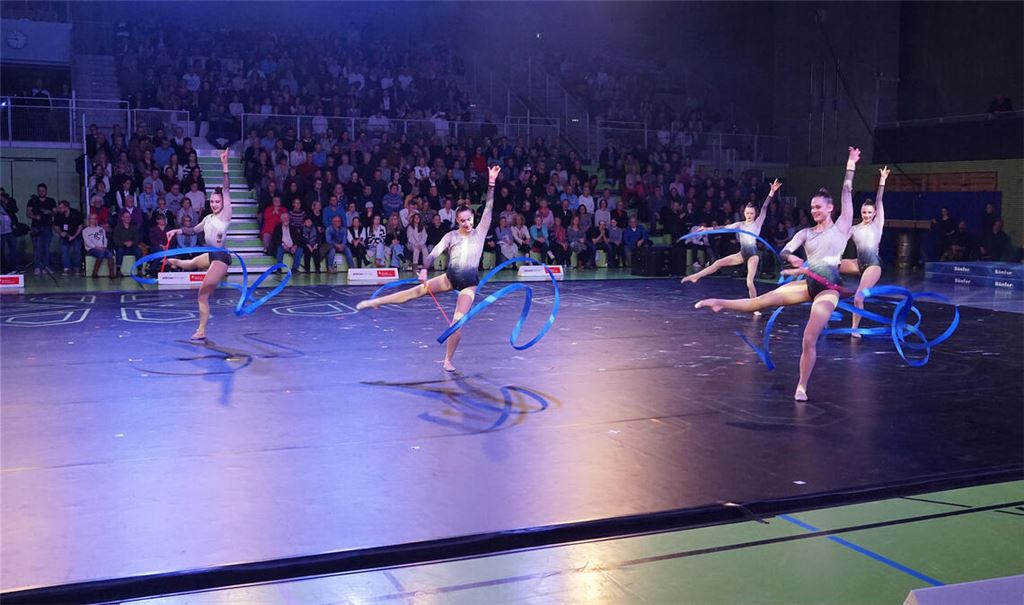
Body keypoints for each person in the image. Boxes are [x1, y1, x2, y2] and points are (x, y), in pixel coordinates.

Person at [695, 147, 861, 402]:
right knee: (760, 302)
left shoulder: (842, 227)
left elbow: (847, 192)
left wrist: (850, 165)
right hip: (807, 284)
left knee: (808, 338)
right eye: (812, 207)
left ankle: (802, 385)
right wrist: (791, 257)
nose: (814, 210)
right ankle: (720, 303)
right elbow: (784, 249)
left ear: (831, 208)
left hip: (828, 290)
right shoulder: (806, 233)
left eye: (818, 207)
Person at [355, 165, 501, 372]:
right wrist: (424, 269)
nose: (467, 223)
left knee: (457, 324)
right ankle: (375, 301)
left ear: (473, 219)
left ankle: (447, 360)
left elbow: (489, 206)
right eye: (462, 221)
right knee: (413, 292)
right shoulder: (452, 236)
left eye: (469, 219)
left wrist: (492, 182)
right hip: (450, 278)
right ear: (457, 221)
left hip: (468, 284)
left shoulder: (480, 232)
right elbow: (433, 252)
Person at [163, 150, 234, 340]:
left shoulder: (225, 215)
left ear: (223, 203)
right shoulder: (208, 217)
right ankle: (173, 261)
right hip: (211, 254)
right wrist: (176, 230)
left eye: (218, 201)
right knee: (191, 263)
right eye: (212, 201)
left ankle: (201, 330)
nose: (214, 204)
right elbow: (193, 230)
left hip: (221, 257)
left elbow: (226, 188)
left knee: (202, 294)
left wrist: (225, 166)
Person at [681, 179, 782, 311]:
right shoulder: (739, 225)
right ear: (744, 213)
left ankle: (754, 307)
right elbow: (724, 227)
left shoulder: (757, 223)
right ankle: (696, 276)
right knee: (718, 263)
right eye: (747, 213)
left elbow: (764, 208)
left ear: (755, 214)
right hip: (741, 254)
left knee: (749, 281)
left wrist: (771, 192)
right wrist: (706, 229)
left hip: (752, 256)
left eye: (751, 213)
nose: (749, 215)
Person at [840, 166, 889, 336]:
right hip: (858, 262)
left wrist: (882, 181)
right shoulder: (854, 228)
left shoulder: (877, 224)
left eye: (869, 212)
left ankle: (855, 329)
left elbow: (880, 200)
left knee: (858, 297)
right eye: (864, 212)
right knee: (830, 265)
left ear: (875, 213)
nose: (866, 215)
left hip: (873, 265)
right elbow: (839, 243)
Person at [82, 214, 115, 278]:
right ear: (89, 220)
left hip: (102, 248)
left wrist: (104, 246)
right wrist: (96, 247)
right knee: (101, 254)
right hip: (91, 249)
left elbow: (105, 239)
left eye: (94, 218)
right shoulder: (85, 230)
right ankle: (94, 273)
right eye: (91, 218)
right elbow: (87, 242)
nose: (93, 220)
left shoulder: (101, 229)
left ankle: (112, 274)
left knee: (110, 255)